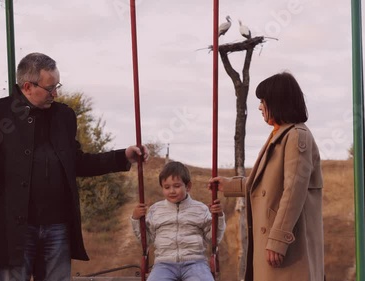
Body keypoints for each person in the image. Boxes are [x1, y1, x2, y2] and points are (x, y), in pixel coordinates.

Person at [0, 52, 148, 281]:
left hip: (57, 226)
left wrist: (123, 157)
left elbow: (77, 163)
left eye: (57, 86)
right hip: (14, 229)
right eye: (50, 88)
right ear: (28, 86)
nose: (56, 94)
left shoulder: (64, 116)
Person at [209, 72, 324, 281]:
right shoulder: (281, 135)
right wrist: (230, 186)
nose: (260, 107)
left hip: (287, 249)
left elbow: (293, 192)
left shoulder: (297, 136)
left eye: (263, 101)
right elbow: (266, 186)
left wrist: (279, 240)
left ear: (278, 102)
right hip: (274, 245)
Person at [131, 161, 226, 281]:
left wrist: (219, 216)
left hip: (195, 262)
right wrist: (136, 219)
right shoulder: (156, 210)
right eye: (167, 187)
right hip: (164, 264)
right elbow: (147, 239)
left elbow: (213, 239)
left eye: (176, 186)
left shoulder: (200, 209)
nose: (171, 191)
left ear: (188, 186)